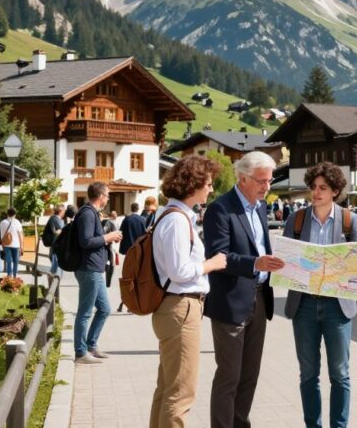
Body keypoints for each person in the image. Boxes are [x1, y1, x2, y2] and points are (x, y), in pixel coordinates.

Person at [203, 151, 284, 428]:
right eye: (261, 181)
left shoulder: (260, 207)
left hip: (260, 298)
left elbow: (262, 248)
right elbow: (219, 256)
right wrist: (255, 263)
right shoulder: (220, 208)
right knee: (229, 376)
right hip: (230, 302)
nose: (267, 187)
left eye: (269, 181)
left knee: (250, 374)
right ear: (242, 178)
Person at [149, 155, 229, 428]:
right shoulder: (177, 220)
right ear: (192, 185)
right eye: (207, 183)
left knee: (168, 388)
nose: (210, 189)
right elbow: (179, 271)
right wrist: (212, 264)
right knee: (181, 393)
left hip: (175, 307)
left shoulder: (171, 215)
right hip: (181, 307)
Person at [283, 161, 357, 428]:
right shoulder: (295, 220)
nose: (316, 192)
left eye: (323, 188)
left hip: (337, 308)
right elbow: (284, 261)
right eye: (313, 187)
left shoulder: (350, 220)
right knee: (308, 374)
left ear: (335, 191)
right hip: (304, 305)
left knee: (340, 374)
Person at [74, 182, 122, 364]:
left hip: (94, 268)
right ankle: (80, 352)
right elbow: (85, 241)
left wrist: (107, 238)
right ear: (101, 196)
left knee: (104, 309)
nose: (108, 198)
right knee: (85, 312)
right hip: (88, 269)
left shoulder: (92, 213)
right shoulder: (87, 213)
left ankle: (90, 346)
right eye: (108, 195)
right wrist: (108, 237)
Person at [117, 203, 147, 312]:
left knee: (128, 276)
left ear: (131, 208)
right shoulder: (142, 220)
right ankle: (134, 301)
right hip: (140, 251)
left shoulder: (127, 219)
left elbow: (121, 233)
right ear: (138, 209)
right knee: (137, 275)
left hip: (129, 251)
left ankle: (128, 301)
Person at [0, 208, 25, 278]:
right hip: (16, 245)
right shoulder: (17, 222)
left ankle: (9, 275)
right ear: (15, 214)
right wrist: (22, 246)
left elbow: (1, 235)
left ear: (7, 214)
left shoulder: (2, 222)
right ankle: (14, 276)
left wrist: (2, 244)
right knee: (16, 261)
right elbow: (20, 235)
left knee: (8, 260)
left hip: (6, 245)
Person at [44, 205, 66, 275]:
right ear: (60, 211)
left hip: (55, 247)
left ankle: (54, 282)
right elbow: (58, 232)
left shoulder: (56, 219)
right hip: (56, 247)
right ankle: (53, 282)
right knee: (56, 267)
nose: (64, 212)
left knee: (56, 267)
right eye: (64, 211)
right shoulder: (55, 219)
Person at [102, 212, 118, 288]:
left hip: (109, 246)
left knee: (111, 265)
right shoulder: (97, 222)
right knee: (107, 264)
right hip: (103, 246)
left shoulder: (110, 223)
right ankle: (105, 281)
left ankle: (108, 282)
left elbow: (117, 237)